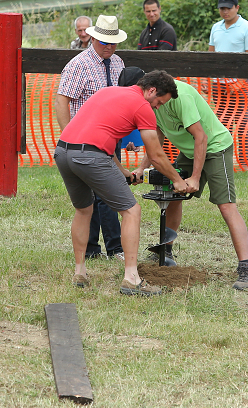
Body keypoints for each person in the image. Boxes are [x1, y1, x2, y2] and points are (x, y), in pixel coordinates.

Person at [55, 70, 194, 296]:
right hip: (90, 156)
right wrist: (177, 180)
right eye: (159, 102)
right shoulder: (142, 107)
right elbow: (157, 155)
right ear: (151, 91)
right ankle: (131, 279)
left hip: (64, 152)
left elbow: (101, 141)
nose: (158, 108)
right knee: (132, 211)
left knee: (83, 210)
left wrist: (124, 173)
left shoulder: (109, 92)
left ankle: (79, 272)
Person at [135, 79, 248, 290]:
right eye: (157, 103)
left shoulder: (181, 97)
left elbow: (201, 137)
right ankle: (167, 251)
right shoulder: (150, 101)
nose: (158, 107)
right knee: (173, 197)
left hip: (215, 147)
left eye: (161, 103)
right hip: (190, 152)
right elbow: (158, 136)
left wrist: (195, 178)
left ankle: (246, 269)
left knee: (226, 206)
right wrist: (141, 169)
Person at [56, 14, 127, 260]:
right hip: (84, 142)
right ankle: (92, 249)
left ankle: (114, 248)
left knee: (110, 192)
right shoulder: (78, 64)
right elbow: (62, 99)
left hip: (111, 138)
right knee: (89, 198)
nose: (109, 47)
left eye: (113, 42)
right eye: (104, 42)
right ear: (94, 38)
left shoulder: (118, 63)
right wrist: (69, 136)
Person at [208, 0, 248, 169]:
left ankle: (244, 162)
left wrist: (242, 81)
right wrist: (209, 79)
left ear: (237, 8)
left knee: (242, 122)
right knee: (222, 122)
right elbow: (211, 55)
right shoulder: (216, 28)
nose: (225, 11)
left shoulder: (247, 28)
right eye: (222, 8)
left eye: (228, 8)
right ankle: (223, 160)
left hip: (240, 85)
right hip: (219, 85)